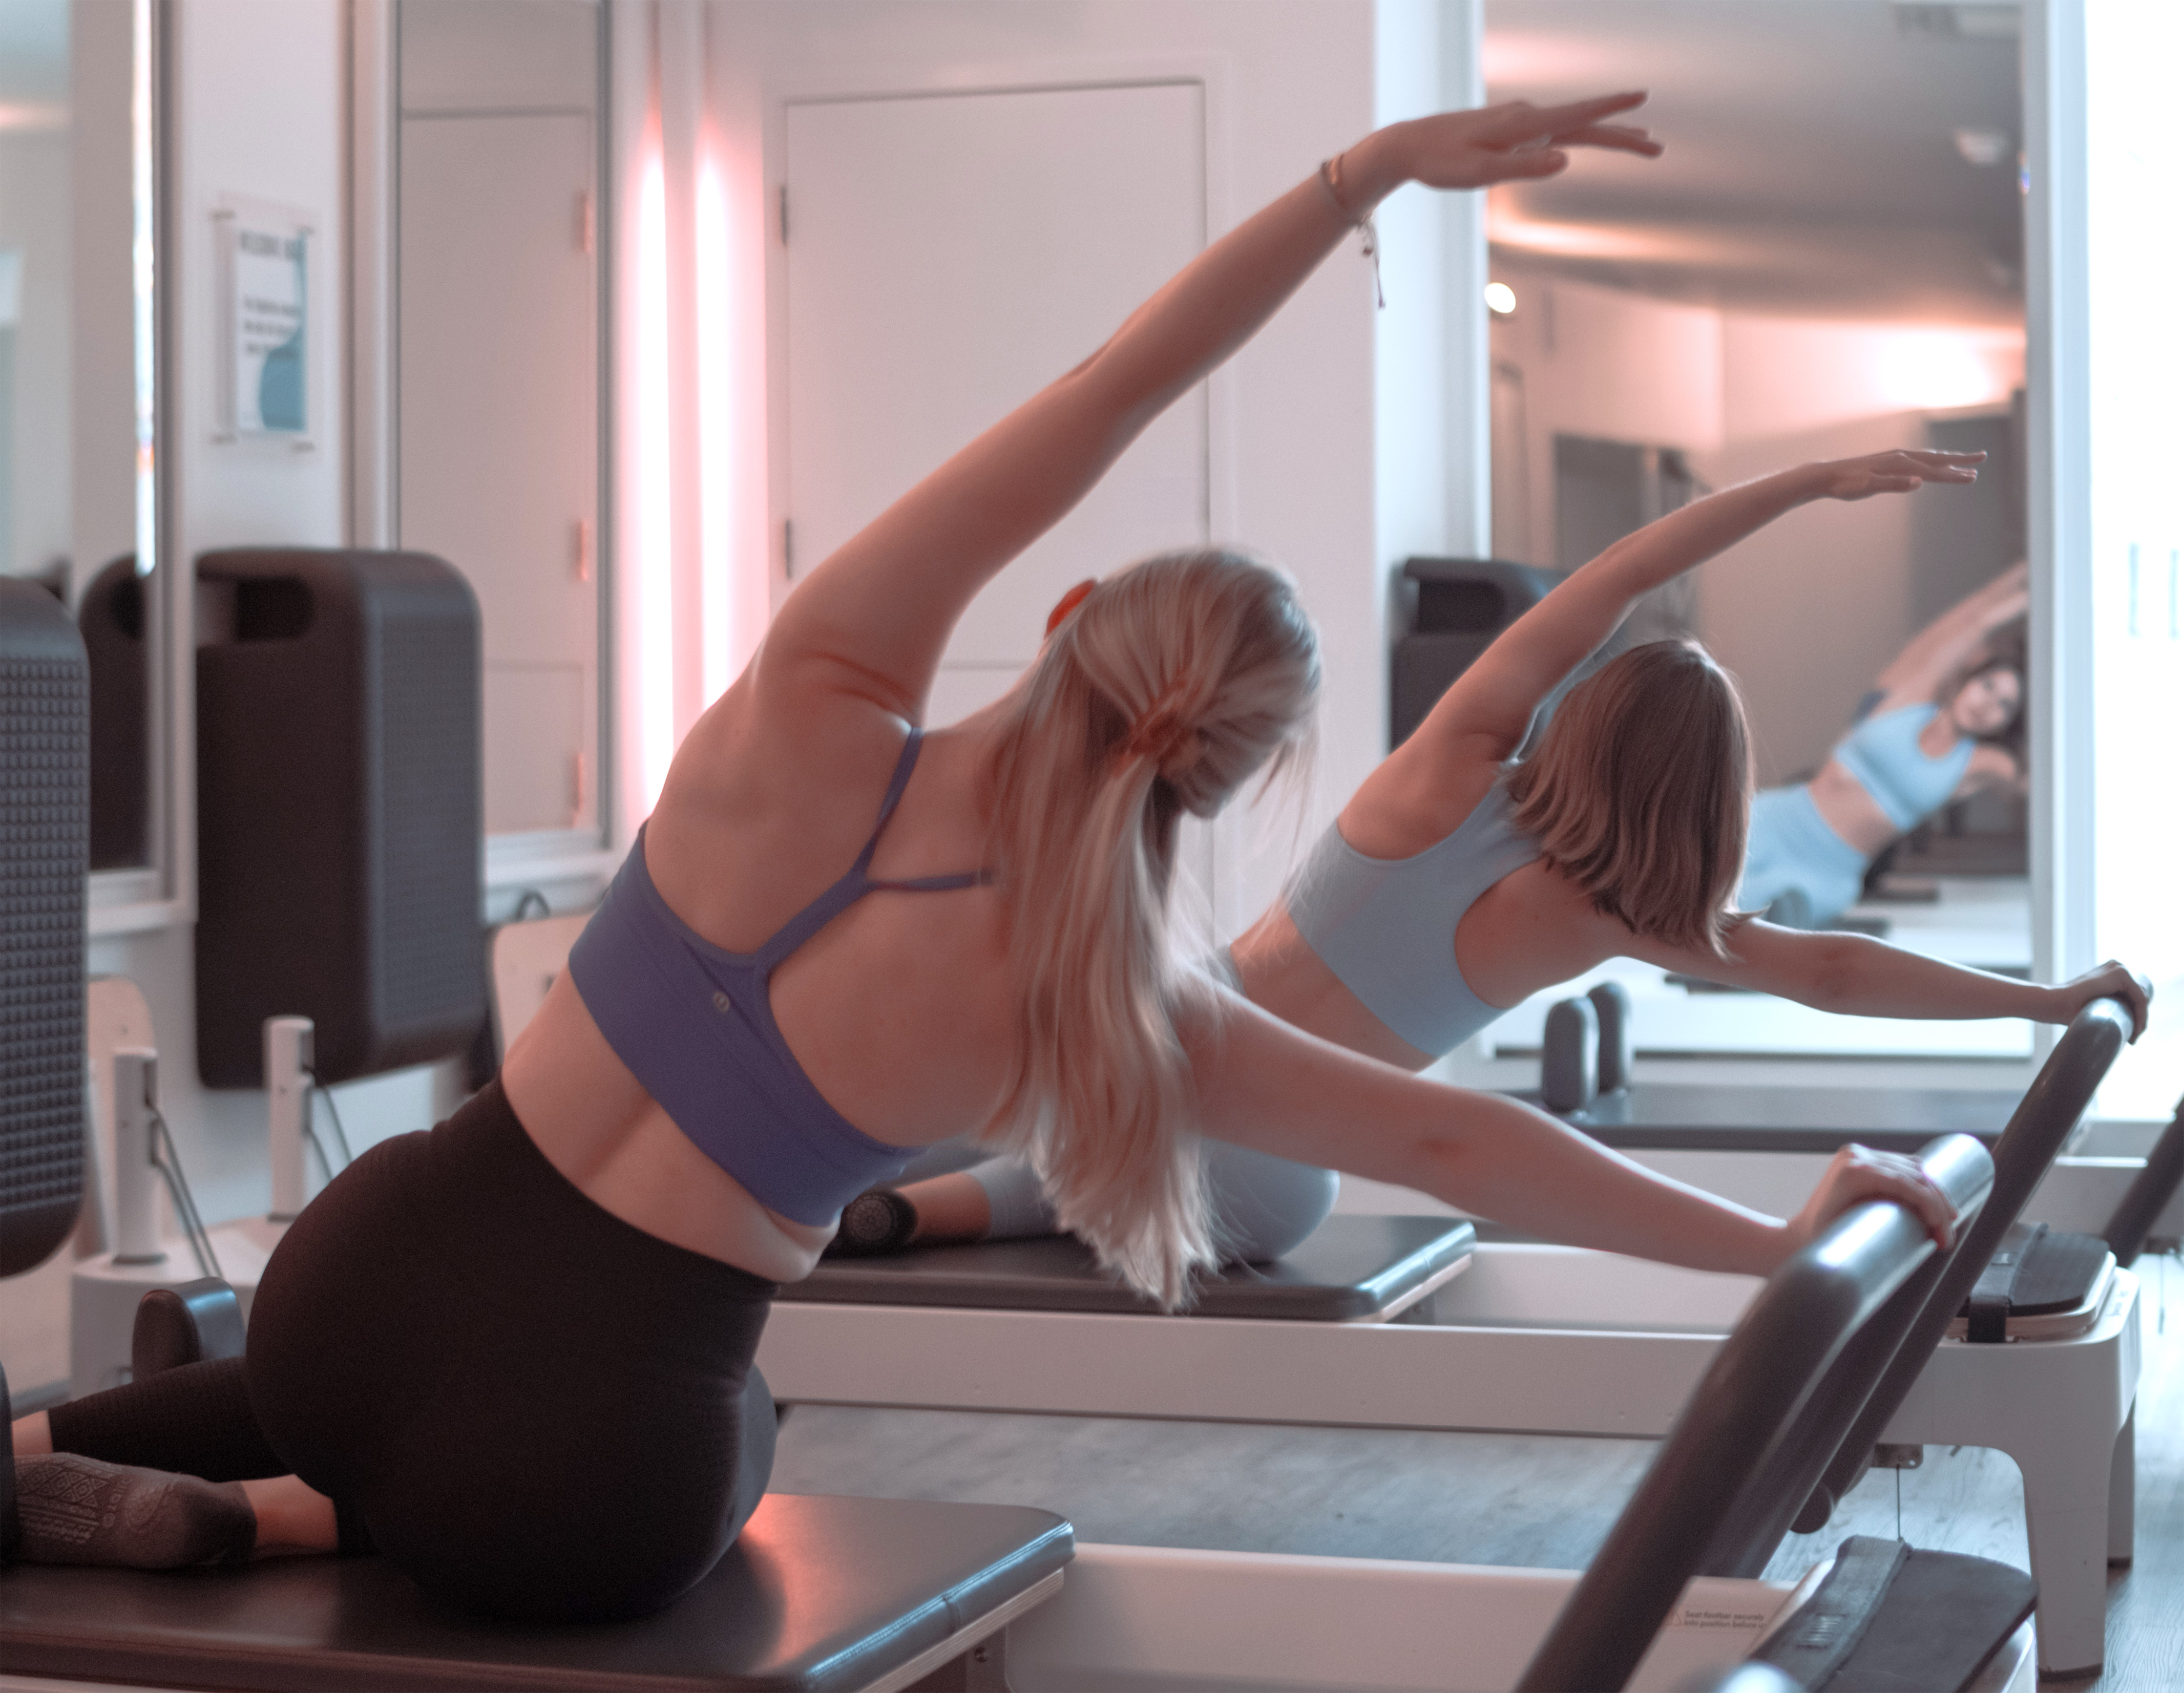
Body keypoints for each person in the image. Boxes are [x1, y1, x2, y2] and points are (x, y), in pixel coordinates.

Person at [6, 94, 1960, 1623]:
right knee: (745, 1425)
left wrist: (1361, 178)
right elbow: (1464, 1148)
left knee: (354, 1363)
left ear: (1075, 610)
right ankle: (281, 1512)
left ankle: (140, 1460)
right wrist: (1786, 1231)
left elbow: (1113, 386)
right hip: (590, 1464)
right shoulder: (1109, 1003)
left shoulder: (813, 698)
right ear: (1230, 777)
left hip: (373, 1267)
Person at [858, 471, 2140, 1258]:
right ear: (1704, 802)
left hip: (1139, 1048)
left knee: (1075, 1102)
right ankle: (984, 1203)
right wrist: (2041, 1000)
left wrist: (1805, 487)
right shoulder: (1621, 918)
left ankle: (965, 1195)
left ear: (1581, 717)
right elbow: (1838, 977)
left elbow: (1625, 573)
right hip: (1261, 1175)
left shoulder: (1448, 771)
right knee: (1249, 1178)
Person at [1740, 564, 2029, 928]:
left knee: (1764, 921)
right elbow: (1975, 620)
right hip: (1778, 822)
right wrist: (2035, 586)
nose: (1990, 704)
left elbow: (2041, 781)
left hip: (1827, 873)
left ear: (2006, 724)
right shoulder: (1909, 697)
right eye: (1988, 686)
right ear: (1969, 679)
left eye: (2005, 706)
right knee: (1678, 871)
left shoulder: (1976, 763)